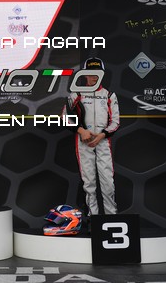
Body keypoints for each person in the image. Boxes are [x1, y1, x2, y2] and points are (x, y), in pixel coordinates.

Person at [63, 57, 120, 216]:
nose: (94, 76)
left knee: (108, 183)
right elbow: (64, 117)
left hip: (103, 142)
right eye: (91, 72)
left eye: (98, 72)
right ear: (85, 74)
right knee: (89, 184)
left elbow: (116, 122)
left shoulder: (109, 95)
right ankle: (92, 219)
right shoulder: (76, 94)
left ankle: (111, 217)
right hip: (84, 143)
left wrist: (102, 135)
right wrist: (81, 131)